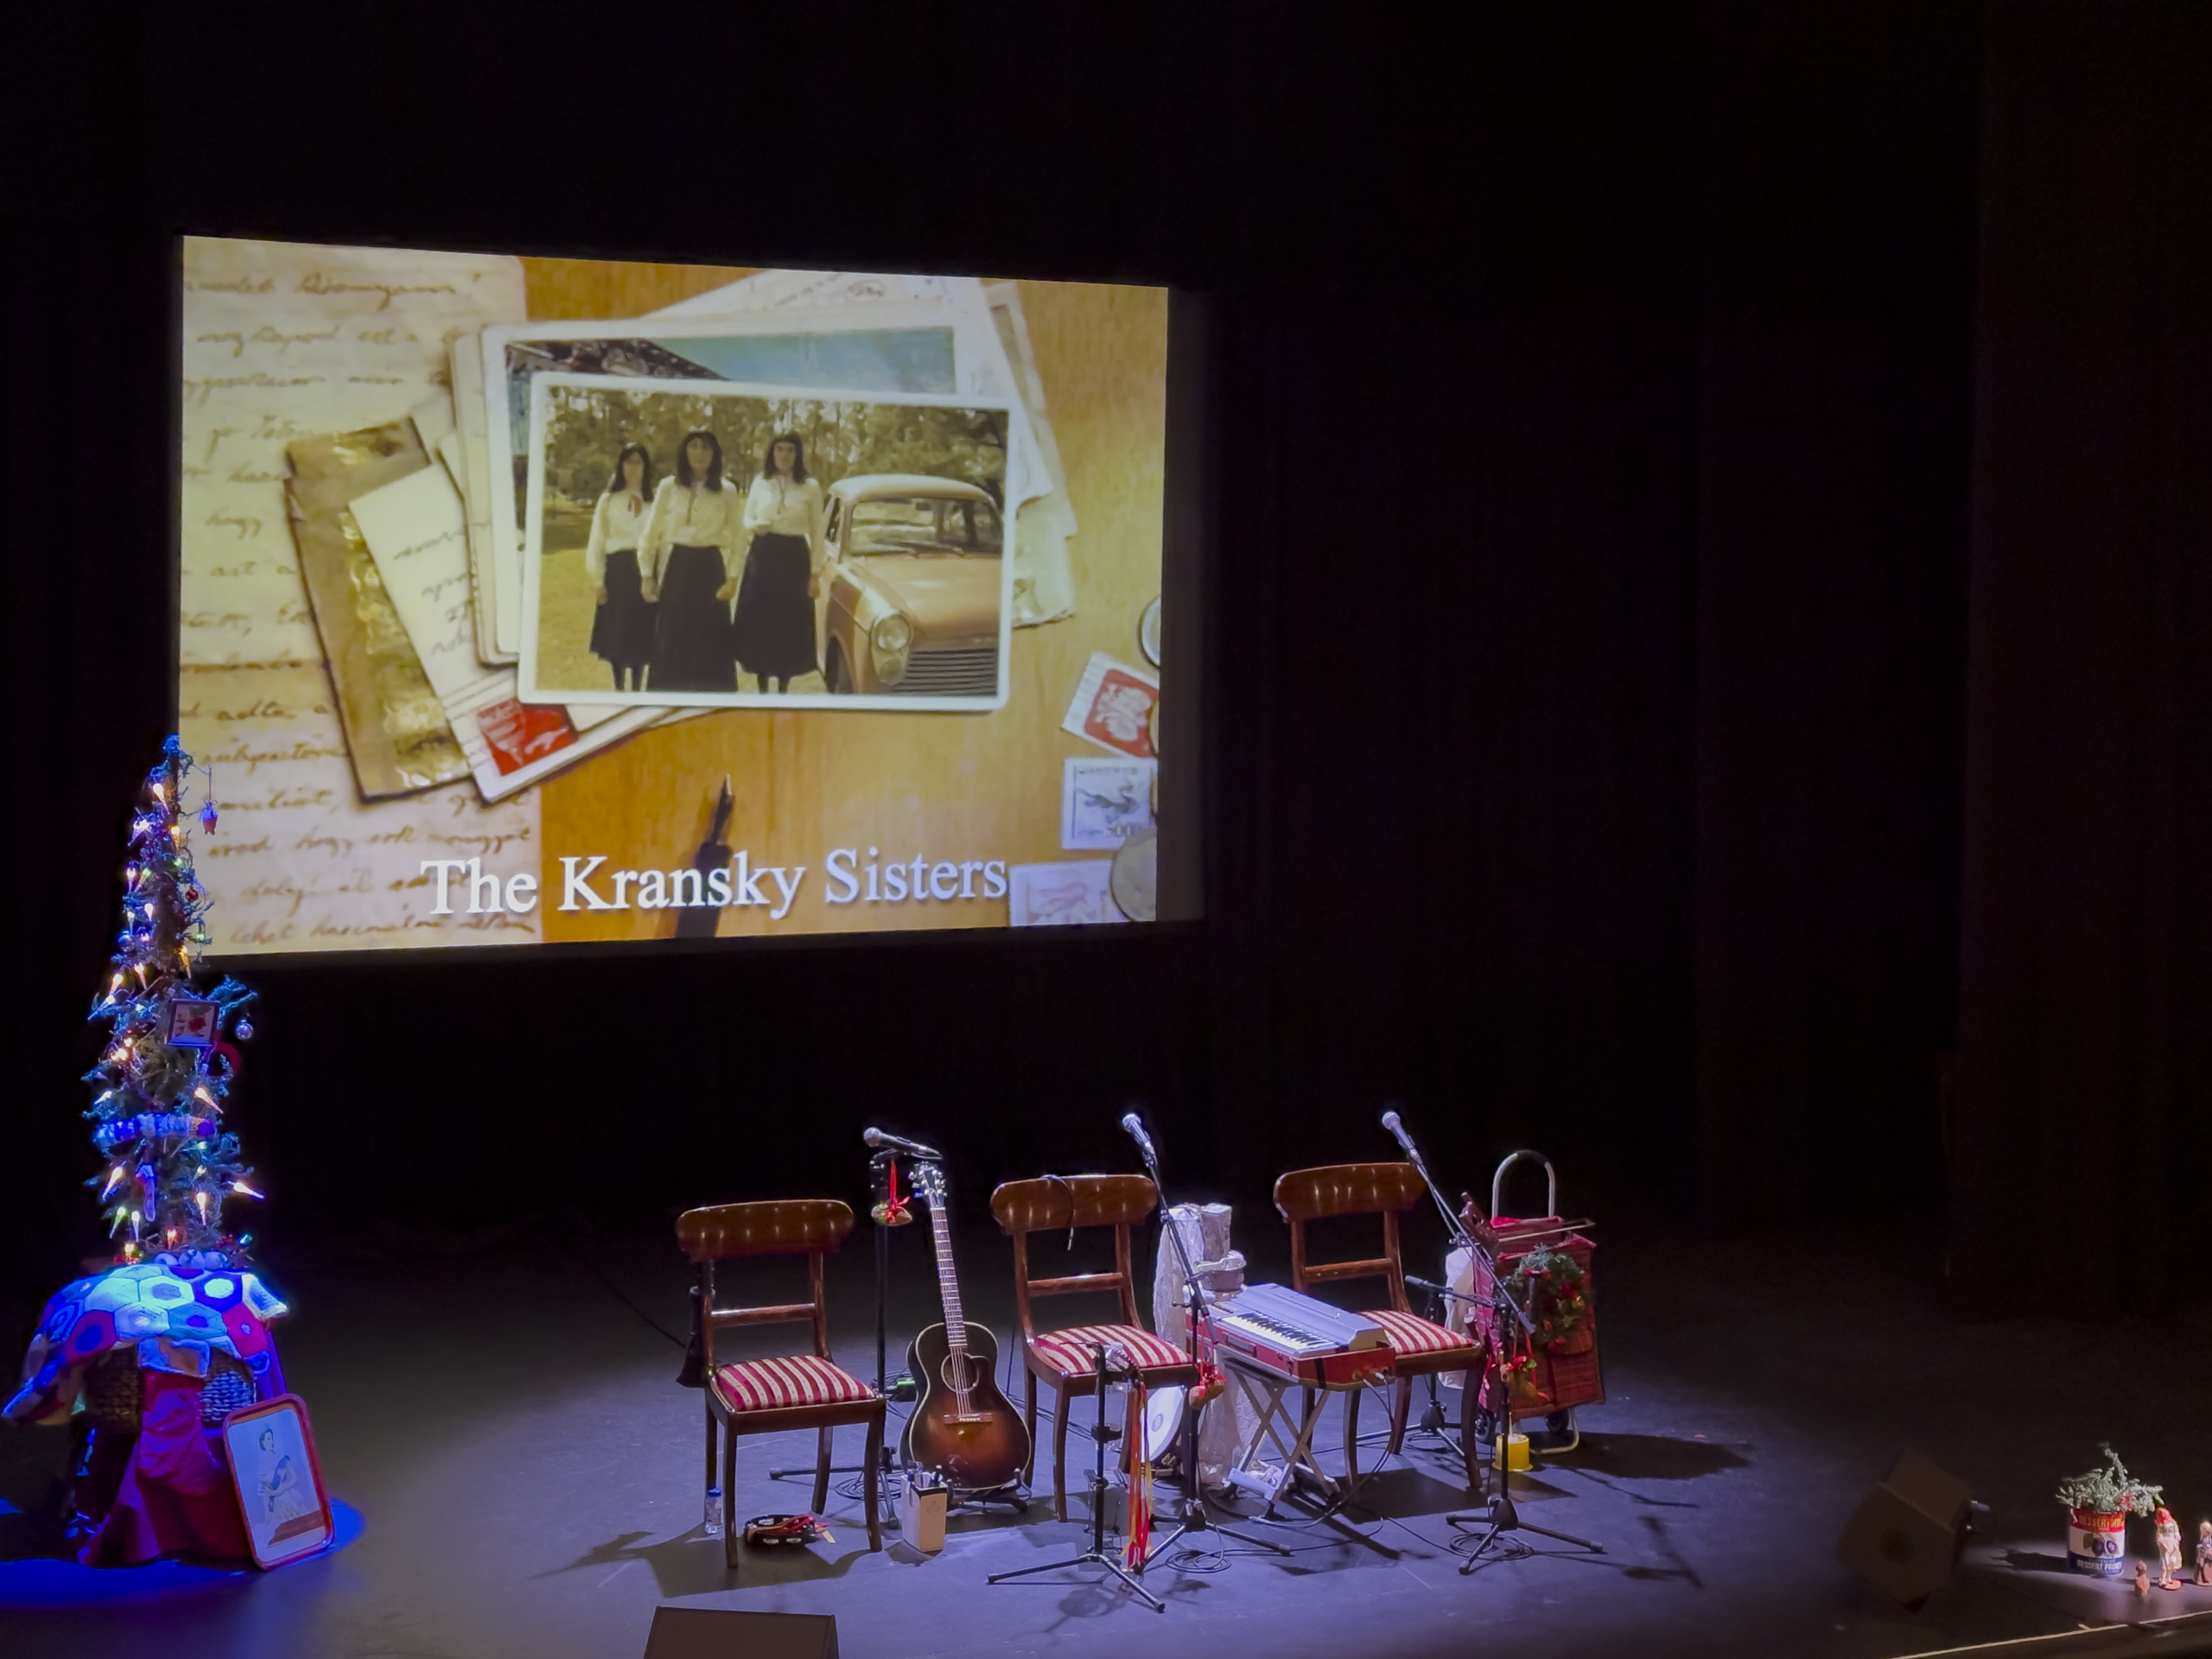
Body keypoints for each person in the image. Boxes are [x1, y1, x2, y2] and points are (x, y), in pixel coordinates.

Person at [638, 430, 744, 693]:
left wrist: (731, 580)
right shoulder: (668, 487)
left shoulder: (726, 491)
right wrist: (646, 576)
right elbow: (649, 534)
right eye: (694, 446)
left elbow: (741, 540)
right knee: (672, 638)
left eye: (706, 448)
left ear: (714, 455)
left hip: (710, 569)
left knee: (711, 640)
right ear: (684, 452)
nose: (699, 453)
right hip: (677, 568)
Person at [732, 433, 826, 694]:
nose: (784, 456)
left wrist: (815, 573)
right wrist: (756, 526)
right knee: (761, 620)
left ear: (798, 455)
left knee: (787, 622)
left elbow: (818, 531)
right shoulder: (760, 483)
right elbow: (746, 519)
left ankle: (783, 687)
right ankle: (762, 686)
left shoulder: (810, 487)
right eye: (779, 450)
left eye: (790, 451)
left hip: (793, 558)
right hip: (764, 554)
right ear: (772, 454)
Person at [584, 443, 655, 690]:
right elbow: (597, 540)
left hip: (644, 574)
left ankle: (637, 688)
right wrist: (598, 580)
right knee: (618, 636)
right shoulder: (608, 500)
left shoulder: (653, 503)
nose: (633, 468)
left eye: (638, 462)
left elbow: (660, 542)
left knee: (640, 637)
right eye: (629, 462)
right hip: (618, 573)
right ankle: (619, 688)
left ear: (646, 467)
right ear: (621, 466)